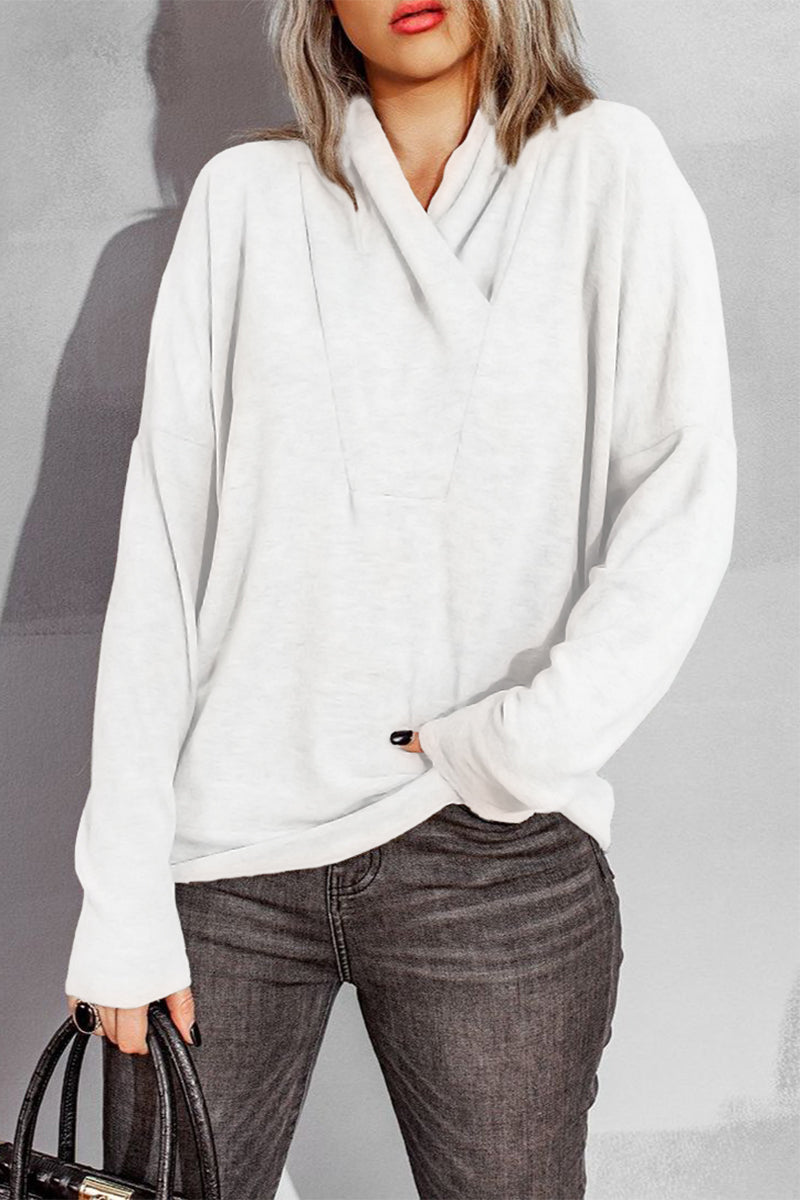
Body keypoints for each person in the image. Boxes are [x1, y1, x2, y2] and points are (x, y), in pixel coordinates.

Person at [64, 0, 737, 1196]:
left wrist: (520, 743)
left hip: (491, 849)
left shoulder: (603, 167)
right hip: (227, 853)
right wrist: (120, 900)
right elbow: (162, 558)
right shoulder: (246, 201)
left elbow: (679, 499)